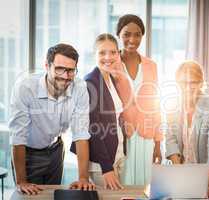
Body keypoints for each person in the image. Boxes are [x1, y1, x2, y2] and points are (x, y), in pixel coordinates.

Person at [9, 43, 95, 195]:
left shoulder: (79, 87)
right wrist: (21, 181)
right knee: (29, 197)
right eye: (59, 69)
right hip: (29, 154)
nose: (65, 76)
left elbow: (81, 133)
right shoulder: (25, 87)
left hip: (56, 150)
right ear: (47, 66)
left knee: (52, 196)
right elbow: (18, 136)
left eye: (70, 70)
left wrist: (83, 178)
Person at [71, 33, 135, 190]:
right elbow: (93, 129)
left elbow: (112, 113)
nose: (108, 57)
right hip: (102, 162)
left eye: (113, 52)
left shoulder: (110, 79)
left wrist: (123, 123)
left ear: (118, 54)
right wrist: (106, 168)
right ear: (94, 55)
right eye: (102, 52)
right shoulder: (90, 83)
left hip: (116, 153)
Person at [165, 60, 209, 198]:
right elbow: (171, 139)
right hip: (185, 167)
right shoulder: (171, 105)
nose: (188, 87)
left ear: (201, 83)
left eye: (193, 82)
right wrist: (178, 171)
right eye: (183, 83)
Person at [116, 14, 163, 185]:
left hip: (146, 134)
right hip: (122, 135)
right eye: (127, 34)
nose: (132, 39)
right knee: (123, 183)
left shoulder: (151, 65)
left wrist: (158, 145)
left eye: (137, 35)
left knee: (146, 184)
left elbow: (156, 106)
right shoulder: (112, 64)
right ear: (118, 35)